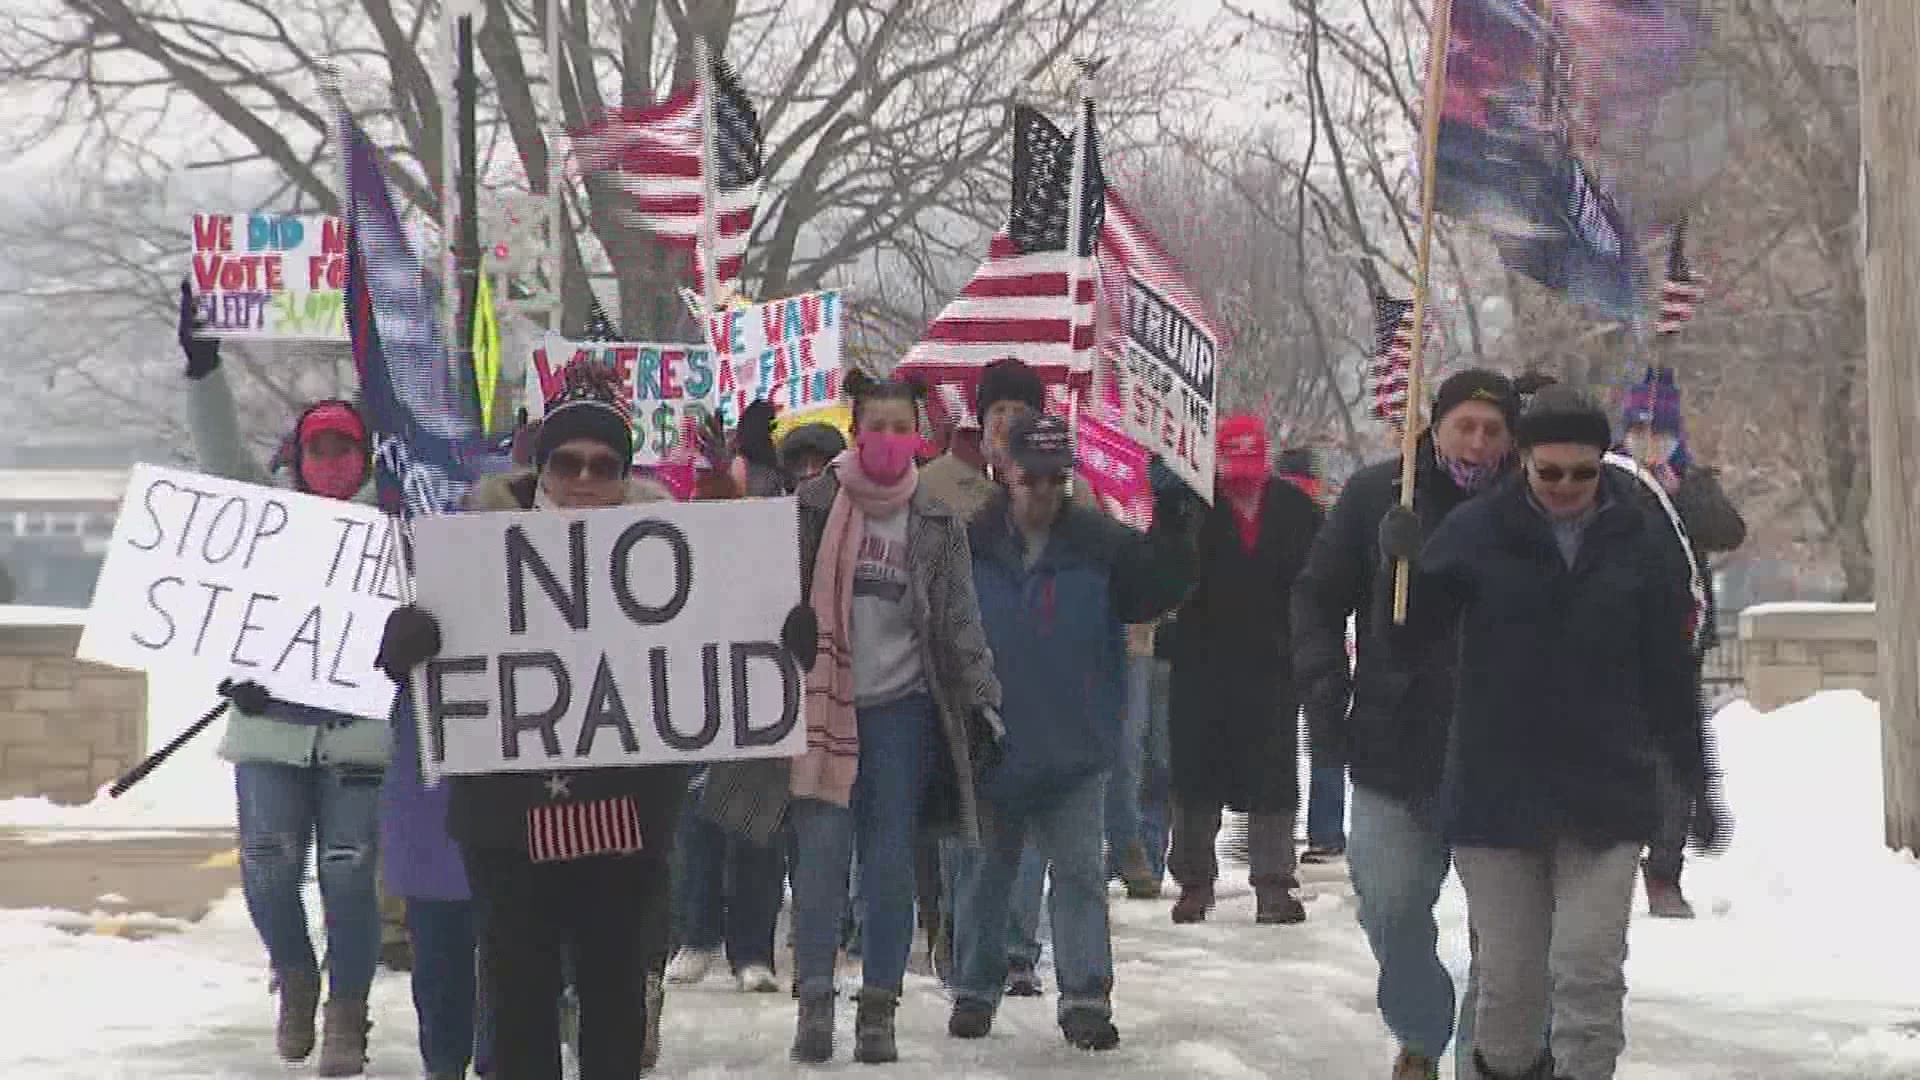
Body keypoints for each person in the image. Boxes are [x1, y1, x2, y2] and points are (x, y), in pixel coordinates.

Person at [1383, 387, 1725, 1080]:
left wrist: (1696, 784)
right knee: (1511, 987)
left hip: (1605, 792)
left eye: (1583, 473)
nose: (1567, 487)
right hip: (1496, 795)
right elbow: (1412, 635)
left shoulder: (1638, 543)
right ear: (1524, 464)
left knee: (1588, 969)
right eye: (1550, 473)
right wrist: (1401, 569)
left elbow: (1669, 676)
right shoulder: (1476, 533)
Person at [373, 362, 702, 1080]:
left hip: (627, 814)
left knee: (614, 993)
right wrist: (406, 645)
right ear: (541, 468)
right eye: (567, 462)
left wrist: (782, 642)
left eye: (603, 464)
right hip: (506, 821)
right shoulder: (471, 546)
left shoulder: (676, 559)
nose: (584, 478)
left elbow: (717, 670)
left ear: (624, 472)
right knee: (518, 996)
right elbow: (418, 671)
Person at [178, 283, 386, 1076]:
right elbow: (218, 458)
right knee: (266, 864)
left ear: (366, 457)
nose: (332, 463)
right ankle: (297, 977)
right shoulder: (264, 512)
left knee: (347, 869)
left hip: (361, 731)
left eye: (346, 449)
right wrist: (203, 373)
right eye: (319, 449)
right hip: (270, 726)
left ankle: (348, 1010)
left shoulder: (397, 522)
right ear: (298, 459)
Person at [1291, 369, 1520, 1080]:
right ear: (1438, 425)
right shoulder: (1378, 495)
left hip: (1502, 753)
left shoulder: (1530, 504)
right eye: (1465, 426)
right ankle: (1421, 1026)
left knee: (1508, 938)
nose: (1478, 443)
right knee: (1389, 903)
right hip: (1396, 743)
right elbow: (1317, 597)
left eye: (1493, 430)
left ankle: (1487, 1058)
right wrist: (1327, 686)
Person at [774, 371, 1004, 1065]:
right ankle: (814, 998)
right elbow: (766, 599)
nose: (887, 438)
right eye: (875, 424)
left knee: (889, 866)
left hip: (902, 714)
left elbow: (961, 622)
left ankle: (880, 1005)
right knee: (818, 861)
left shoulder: (936, 521)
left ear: (918, 436)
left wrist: (984, 699)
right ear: (855, 430)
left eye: (900, 426)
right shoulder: (809, 508)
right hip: (821, 711)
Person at [948, 413, 1195, 1051]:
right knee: (987, 875)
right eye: (1032, 479)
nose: (1043, 493)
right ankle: (975, 989)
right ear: (1004, 474)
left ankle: (1085, 997)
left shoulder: (1099, 543)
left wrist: (1172, 516)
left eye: (1057, 479)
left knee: (1081, 874)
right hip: (992, 741)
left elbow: (1157, 591)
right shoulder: (969, 543)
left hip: (1074, 744)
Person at [919, 358, 1072, 991]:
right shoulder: (933, 487)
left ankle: (1016, 949)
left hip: (1037, 677)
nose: (1008, 423)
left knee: (1028, 824)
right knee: (966, 825)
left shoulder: (1062, 491)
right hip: (959, 678)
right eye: (998, 413)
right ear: (979, 424)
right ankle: (960, 942)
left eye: (1021, 414)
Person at [1166, 415, 1321, 926]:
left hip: (1273, 662)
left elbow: (1321, 578)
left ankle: (1274, 883)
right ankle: (1194, 881)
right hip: (1201, 662)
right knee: (1196, 775)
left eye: (1250, 468)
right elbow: (1167, 577)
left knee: (1274, 775)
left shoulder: (1297, 511)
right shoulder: (1190, 507)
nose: (1242, 480)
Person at [1615, 366, 1745, 919]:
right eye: (1641, 432)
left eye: (1660, 433)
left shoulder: (1689, 483)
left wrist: (1684, 489)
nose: (1649, 443)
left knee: (1678, 759)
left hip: (1679, 643)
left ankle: (1665, 867)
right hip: (1617, 645)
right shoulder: (1610, 479)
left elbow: (1727, 531)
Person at [1277, 446, 1347, 863]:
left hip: (1272, 641)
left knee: (1279, 743)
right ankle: (1326, 832)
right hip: (1321, 641)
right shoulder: (1327, 519)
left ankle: (1275, 833)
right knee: (1325, 743)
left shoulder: (1269, 515)